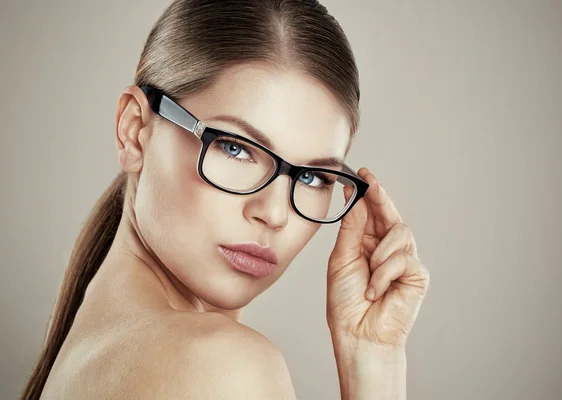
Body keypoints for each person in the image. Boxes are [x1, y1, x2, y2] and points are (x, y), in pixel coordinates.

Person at [21, 1, 430, 399]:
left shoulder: (91, 352)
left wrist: (371, 358)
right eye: (236, 149)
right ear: (134, 130)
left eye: (311, 176)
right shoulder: (224, 365)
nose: (273, 213)